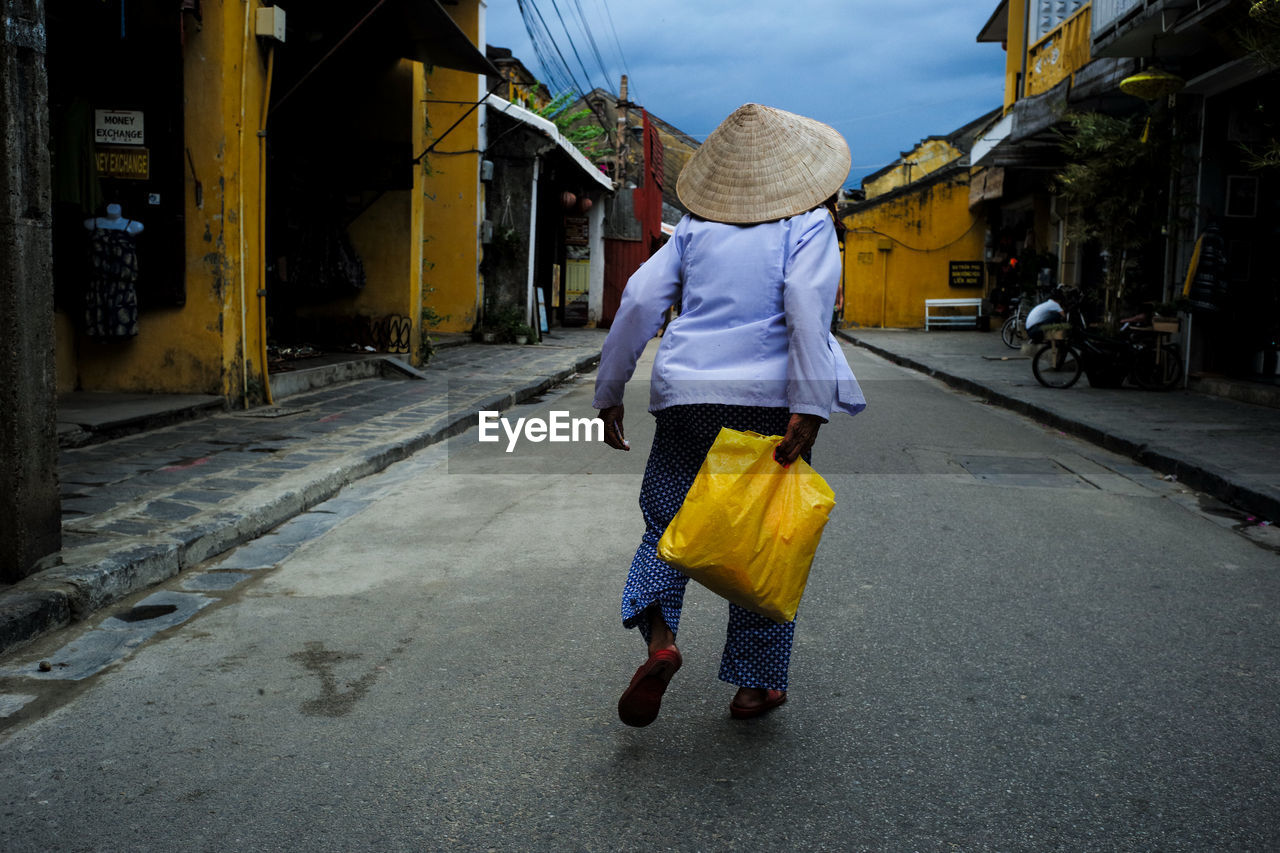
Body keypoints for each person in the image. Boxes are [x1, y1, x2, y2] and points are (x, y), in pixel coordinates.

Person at [593, 103, 867, 727]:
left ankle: (662, 644)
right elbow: (805, 304)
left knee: (668, 523)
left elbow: (639, 300)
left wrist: (609, 391)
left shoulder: (693, 228)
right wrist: (809, 402)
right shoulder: (810, 226)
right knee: (764, 532)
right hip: (769, 399)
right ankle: (754, 685)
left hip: (689, 394)